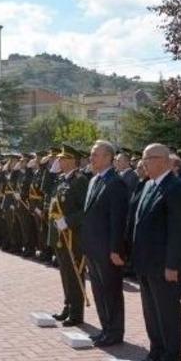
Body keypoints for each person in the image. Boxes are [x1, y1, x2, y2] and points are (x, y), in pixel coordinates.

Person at [130, 143, 181, 361]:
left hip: (164, 265)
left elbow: (178, 231)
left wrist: (172, 265)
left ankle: (172, 359)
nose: (143, 162)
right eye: (143, 158)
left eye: (148, 158)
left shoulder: (176, 188)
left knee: (168, 313)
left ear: (164, 160)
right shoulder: (148, 185)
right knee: (151, 311)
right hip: (146, 262)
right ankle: (156, 352)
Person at [74, 140, 129, 346]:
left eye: (95, 154)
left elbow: (118, 220)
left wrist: (116, 249)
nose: (91, 158)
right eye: (91, 154)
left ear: (108, 157)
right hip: (92, 247)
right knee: (99, 291)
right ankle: (105, 329)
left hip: (107, 250)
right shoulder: (94, 180)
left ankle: (115, 332)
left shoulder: (116, 183)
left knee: (111, 291)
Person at [48, 144, 89, 327]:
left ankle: (77, 313)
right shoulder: (62, 180)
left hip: (73, 235)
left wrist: (68, 221)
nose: (59, 161)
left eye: (63, 159)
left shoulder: (80, 181)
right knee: (65, 272)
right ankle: (68, 306)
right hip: (60, 235)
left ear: (73, 160)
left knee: (74, 273)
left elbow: (85, 210)